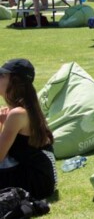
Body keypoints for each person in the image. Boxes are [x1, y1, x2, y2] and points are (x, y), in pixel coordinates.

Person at [0, 58, 56, 199]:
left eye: (1, 75)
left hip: (35, 181)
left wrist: (2, 125)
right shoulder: (26, 109)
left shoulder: (17, 114)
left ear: (15, 82)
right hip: (41, 176)